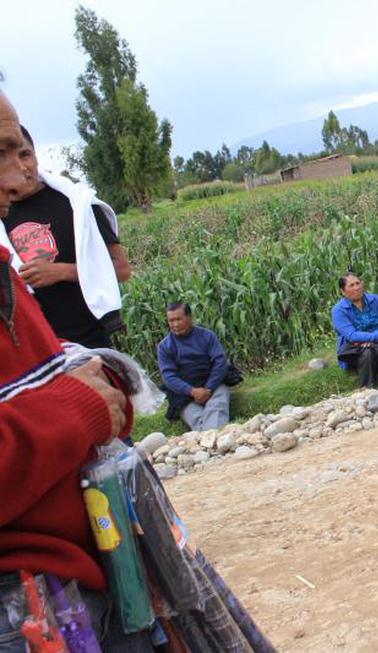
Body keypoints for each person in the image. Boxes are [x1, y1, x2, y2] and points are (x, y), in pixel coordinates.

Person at [0, 88, 154, 652]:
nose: (17, 178)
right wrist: (78, 406)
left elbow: (117, 270)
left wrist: (94, 386)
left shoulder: (74, 205)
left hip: (81, 577)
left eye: (18, 151)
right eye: (0, 154)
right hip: (28, 610)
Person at [1, 125, 131, 349]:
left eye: (25, 154)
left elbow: (121, 269)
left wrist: (60, 272)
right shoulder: (2, 214)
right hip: (34, 349)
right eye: (5, 160)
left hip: (89, 341)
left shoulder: (78, 205)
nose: (22, 167)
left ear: (35, 154)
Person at [157, 301, 232, 431]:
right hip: (183, 395)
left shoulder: (207, 336)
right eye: (171, 321)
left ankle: (207, 442)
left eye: (179, 319)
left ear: (189, 317)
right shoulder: (164, 347)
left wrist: (208, 389)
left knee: (217, 405)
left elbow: (220, 363)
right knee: (196, 418)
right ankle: (214, 440)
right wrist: (192, 391)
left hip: (213, 385)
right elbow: (168, 377)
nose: (175, 324)